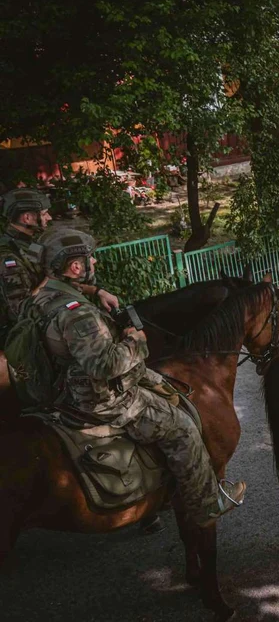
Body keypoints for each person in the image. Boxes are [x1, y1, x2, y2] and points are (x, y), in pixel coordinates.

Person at [31, 227, 245, 527]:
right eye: (90, 259)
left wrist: (95, 292)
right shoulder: (78, 315)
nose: (95, 263)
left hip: (68, 383)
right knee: (183, 428)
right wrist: (135, 341)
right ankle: (208, 504)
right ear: (75, 267)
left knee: (166, 385)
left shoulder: (45, 296)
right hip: (104, 398)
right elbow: (104, 366)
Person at [1, 189, 120, 349]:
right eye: (44, 214)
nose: (49, 218)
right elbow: (20, 311)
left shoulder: (28, 242)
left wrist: (96, 291)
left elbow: (56, 283)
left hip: (49, 321)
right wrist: (51, 276)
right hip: (25, 339)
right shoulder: (8, 257)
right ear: (27, 217)